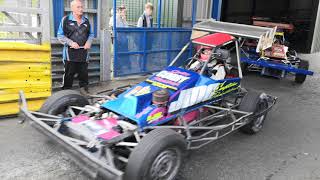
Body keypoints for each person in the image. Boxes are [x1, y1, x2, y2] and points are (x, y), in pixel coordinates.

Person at [57, 0, 94, 94]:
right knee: (69, 75)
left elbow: (91, 34)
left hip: (83, 54)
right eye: (78, 7)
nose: (81, 9)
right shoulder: (65, 20)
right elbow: (60, 35)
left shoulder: (86, 21)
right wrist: (70, 43)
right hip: (70, 54)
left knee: (84, 74)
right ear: (72, 8)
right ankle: (65, 93)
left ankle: (84, 91)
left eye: (82, 7)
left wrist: (89, 42)